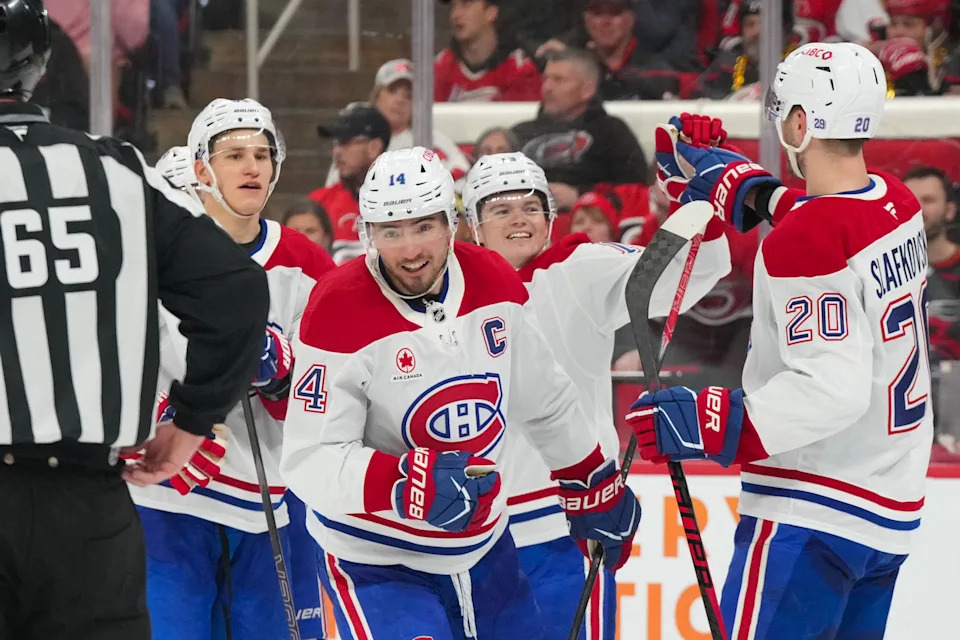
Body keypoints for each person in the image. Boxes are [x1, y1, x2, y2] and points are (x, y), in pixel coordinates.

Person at [627, 42, 933, 639]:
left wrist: (715, 423)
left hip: (812, 511)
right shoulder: (898, 200)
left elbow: (830, 388)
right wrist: (741, 185)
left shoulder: (805, 238)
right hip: (886, 507)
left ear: (800, 123)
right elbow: (824, 220)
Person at [279, 146, 640, 639]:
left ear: (452, 223)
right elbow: (309, 457)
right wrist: (398, 481)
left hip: (484, 548)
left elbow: (545, 400)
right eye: (391, 231)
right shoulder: (337, 308)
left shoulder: (493, 280)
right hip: (377, 558)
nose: (409, 250)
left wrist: (586, 476)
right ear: (367, 234)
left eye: (423, 227)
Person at [0, 3, 270, 639]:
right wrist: (192, 422)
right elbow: (235, 290)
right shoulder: (116, 169)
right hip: (89, 508)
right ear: (37, 70)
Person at [460, 151, 729, 640]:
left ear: (549, 219)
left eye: (530, 206)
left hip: (564, 526)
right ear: (474, 225)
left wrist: (696, 203)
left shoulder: (579, 269)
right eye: (500, 209)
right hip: (471, 531)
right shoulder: (444, 294)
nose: (518, 217)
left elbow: (683, 274)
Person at [128, 98, 336, 640]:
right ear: (201, 168)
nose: (252, 167)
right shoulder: (150, 251)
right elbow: (112, 355)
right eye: (234, 155)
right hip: (167, 497)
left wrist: (286, 373)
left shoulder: (307, 263)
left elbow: (336, 396)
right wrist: (159, 420)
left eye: (263, 155)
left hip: (274, 502)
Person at [512, 48, 648, 211]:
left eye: (558, 80)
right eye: (546, 78)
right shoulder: (519, 133)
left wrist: (581, 195)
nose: (547, 87)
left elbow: (636, 191)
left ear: (586, 91)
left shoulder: (611, 132)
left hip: (589, 223)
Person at [903, 166, 960, 451]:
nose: (917, 209)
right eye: (910, 201)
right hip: (897, 417)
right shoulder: (878, 273)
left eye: (928, 200)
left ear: (950, 210)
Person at [313, 102, 390, 264]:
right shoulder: (319, 203)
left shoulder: (404, 201)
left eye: (346, 142)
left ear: (374, 147)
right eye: (336, 144)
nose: (337, 151)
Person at [434, 0, 541, 102]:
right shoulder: (441, 66)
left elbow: (522, 119)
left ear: (490, 13)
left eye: (466, 3)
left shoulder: (520, 68)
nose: (455, 14)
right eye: (453, 6)